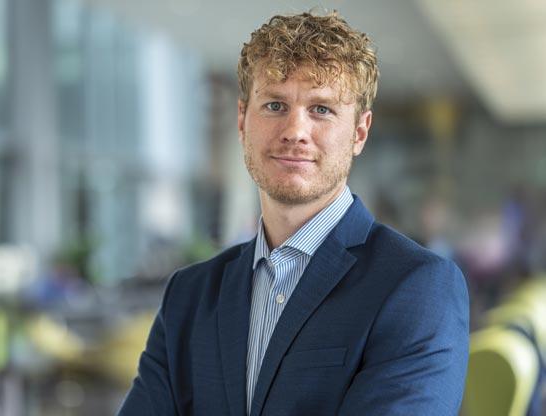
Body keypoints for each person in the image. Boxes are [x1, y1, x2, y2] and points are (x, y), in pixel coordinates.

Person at [119, 11, 469, 416]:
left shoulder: (418, 288)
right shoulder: (189, 296)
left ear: (359, 132)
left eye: (321, 109)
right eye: (274, 105)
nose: (295, 131)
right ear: (242, 121)